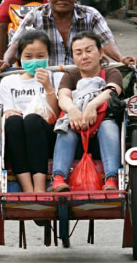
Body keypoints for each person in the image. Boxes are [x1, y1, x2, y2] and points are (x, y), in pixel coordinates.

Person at [0, 0, 137, 69]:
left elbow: (106, 42)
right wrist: (5, 62)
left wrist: (121, 58)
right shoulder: (35, 16)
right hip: (47, 81)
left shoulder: (91, 15)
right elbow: (16, 45)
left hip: (84, 79)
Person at [51, 32, 123, 192]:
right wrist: (72, 110)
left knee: (108, 125)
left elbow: (112, 90)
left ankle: (111, 178)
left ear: (101, 53)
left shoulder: (112, 73)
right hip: (76, 135)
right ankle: (58, 178)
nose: (84, 56)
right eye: (78, 53)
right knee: (65, 127)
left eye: (89, 51)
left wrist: (92, 106)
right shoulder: (71, 75)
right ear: (73, 57)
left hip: (102, 136)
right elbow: (63, 96)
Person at [0, 31, 62, 193]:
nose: (35, 61)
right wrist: (8, 114)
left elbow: (55, 114)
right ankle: (27, 187)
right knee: (13, 121)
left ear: (48, 57)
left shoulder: (57, 77)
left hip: (46, 133)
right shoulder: (8, 81)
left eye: (40, 56)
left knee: (32, 120)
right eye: (28, 57)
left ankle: (39, 187)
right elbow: (6, 111)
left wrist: (48, 87)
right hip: (17, 134)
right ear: (20, 58)